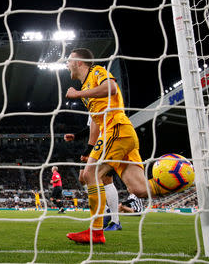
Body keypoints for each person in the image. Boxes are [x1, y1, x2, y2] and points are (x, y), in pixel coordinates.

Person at [64, 48, 169, 244]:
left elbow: (111, 88)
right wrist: (87, 146)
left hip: (117, 129)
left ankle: (96, 232)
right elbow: (95, 120)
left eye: (69, 61)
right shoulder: (87, 86)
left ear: (79, 62)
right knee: (139, 189)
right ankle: (187, 180)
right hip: (121, 134)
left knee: (90, 175)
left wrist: (78, 94)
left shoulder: (96, 71)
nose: (67, 64)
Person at [65, 128, 121, 230]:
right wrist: (77, 136)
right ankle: (106, 211)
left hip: (105, 143)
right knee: (83, 178)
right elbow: (92, 127)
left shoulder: (102, 113)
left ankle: (115, 220)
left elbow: (98, 126)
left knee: (106, 179)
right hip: (94, 145)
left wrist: (88, 150)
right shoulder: (92, 114)